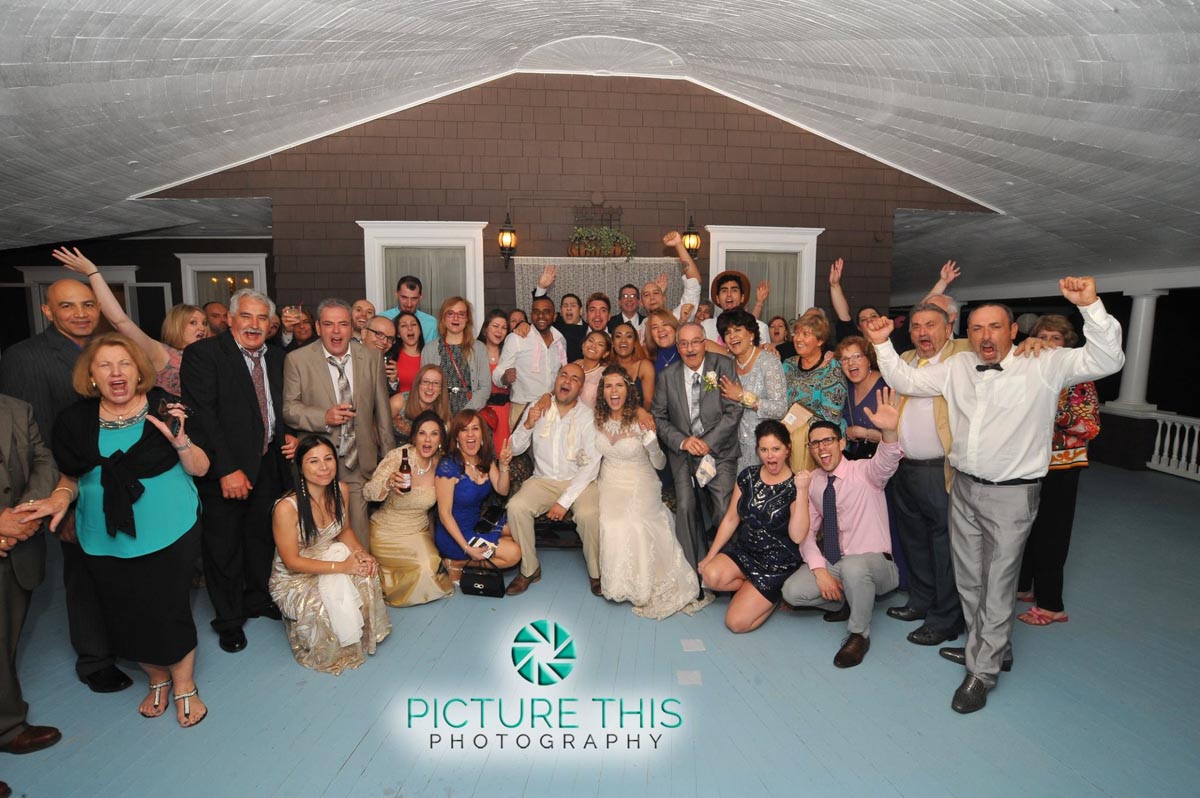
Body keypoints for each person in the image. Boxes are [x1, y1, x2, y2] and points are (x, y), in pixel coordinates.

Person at [867, 276, 1125, 714]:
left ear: (1013, 332)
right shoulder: (958, 367)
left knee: (999, 583)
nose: (986, 335)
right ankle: (989, 649)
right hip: (964, 487)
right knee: (969, 580)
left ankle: (981, 672)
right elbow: (904, 379)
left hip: (1013, 494)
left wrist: (1090, 306)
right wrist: (882, 344)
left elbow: (1107, 358)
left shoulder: (1045, 365)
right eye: (979, 328)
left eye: (995, 327)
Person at [23, 333, 211, 727]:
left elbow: (201, 468)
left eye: (124, 363)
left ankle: (184, 683)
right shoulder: (74, 421)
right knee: (125, 612)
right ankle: (156, 677)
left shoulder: (165, 406)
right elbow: (70, 477)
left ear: (138, 370)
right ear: (91, 376)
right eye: (105, 365)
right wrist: (60, 498)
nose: (116, 372)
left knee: (169, 608)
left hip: (169, 527)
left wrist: (179, 442)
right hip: (104, 531)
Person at [0, 277, 132, 693]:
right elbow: (29, 443)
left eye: (88, 304)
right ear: (47, 310)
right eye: (69, 306)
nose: (81, 313)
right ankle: (95, 660)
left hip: (120, 483)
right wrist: (63, 500)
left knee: (122, 569)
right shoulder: (26, 357)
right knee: (84, 577)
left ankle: (126, 643)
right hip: (70, 487)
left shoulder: (108, 349)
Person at [182, 288, 297, 654]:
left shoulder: (277, 358)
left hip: (267, 464)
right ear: (230, 319)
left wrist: (290, 438)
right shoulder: (204, 355)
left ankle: (257, 599)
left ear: (271, 324)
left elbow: (281, 409)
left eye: (262, 318)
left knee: (260, 539)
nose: (253, 324)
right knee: (223, 546)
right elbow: (203, 416)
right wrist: (226, 469)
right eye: (246, 316)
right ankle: (229, 619)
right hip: (226, 470)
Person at [781, 396, 904, 668]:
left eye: (827, 441)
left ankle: (859, 634)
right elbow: (807, 535)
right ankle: (843, 602)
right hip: (839, 564)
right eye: (815, 443)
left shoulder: (866, 472)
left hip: (876, 565)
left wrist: (890, 432)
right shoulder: (814, 482)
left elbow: (887, 460)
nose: (821, 448)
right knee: (792, 591)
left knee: (854, 566)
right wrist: (820, 570)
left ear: (841, 443)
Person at [883, 301, 970, 647]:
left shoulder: (962, 356)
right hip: (905, 467)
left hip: (940, 470)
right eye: (916, 325)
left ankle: (946, 619)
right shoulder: (904, 361)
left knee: (944, 547)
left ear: (948, 328)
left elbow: (1007, 346)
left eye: (930, 325)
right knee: (915, 541)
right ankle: (920, 601)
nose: (922, 332)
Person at [594, 366, 710, 619]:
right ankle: (619, 585)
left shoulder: (642, 420)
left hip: (641, 480)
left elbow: (659, 464)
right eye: (608, 386)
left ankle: (645, 584)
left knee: (635, 522)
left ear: (628, 390)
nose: (614, 391)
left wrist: (652, 445)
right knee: (608, 522)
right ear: (602, 392)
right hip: (609, 482)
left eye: (619, 385)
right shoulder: (597, 419)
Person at [269, 435, 391, 675]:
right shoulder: (286, 507)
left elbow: (344, 530)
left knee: (367, 573)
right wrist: (343, 567)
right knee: (321, 606)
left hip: (331, 556)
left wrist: (360, 553)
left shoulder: (341, 490)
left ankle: (363, 635)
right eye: (313, 461)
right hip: (295, 576)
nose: (323, 467)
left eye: (328, 459)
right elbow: (292, 562)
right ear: (300, 467)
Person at [283, 298, 394, 549]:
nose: (336, 331)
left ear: (351, 326)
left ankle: (361, 586)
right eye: (329, 324)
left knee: (358, 538)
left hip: (358, 463)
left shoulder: (372, 358)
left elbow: (383, 415)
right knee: (318, 538)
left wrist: (388, 463)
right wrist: (324, 417)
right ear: (318, 326)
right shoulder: (297, 360)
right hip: (316, 464)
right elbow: (289, 410)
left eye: (343, 324)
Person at [1016, 314, 1102, 627]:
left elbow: (1091, 428)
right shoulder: (1029, 372)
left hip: (1062, 467)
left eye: (1056, 338)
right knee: (1026, 528)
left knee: (1052, 535)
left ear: (1066, 344)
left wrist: (1055, 409)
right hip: (1029, 462)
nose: (1049, 344)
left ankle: (1051, 605)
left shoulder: (1078, 379)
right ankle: (1023, 586)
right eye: (1044, 337)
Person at [698, 420, 809, 633]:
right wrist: (711, 555)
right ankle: (750, 588)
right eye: (764, 449)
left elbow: (797, 536)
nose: (770, 456)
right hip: (746, 553)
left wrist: (802, 491)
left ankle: (773, 596)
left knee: (736, 623)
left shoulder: (796, 486)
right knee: (710, 575)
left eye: (776, 449)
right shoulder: (748, 476)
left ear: (787, 449)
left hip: (775, 564)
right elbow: (731, 518)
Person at [52, 247, 207, 396]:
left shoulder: (211, 355)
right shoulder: (162, 354)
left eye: (204, 323)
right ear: (177, 327)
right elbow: (120, 321)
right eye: (193, 322)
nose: (202, 327)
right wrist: (92, 273)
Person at [651, 322, 744, 570]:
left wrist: (707, 443)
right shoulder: (667, 376)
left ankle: (726, 566)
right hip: (683, 452)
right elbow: (658, 417)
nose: (690, 349)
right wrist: (683, 441)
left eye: (695, 342)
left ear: (704, 343)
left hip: (719, 451)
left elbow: (734, 410)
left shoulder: (723, 366)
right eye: (684, 343)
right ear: (678, 347)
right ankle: (691, 570)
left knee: (724, 507)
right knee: (685, 507)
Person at [505, 363, 602, 596]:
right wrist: (528, 423)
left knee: (588, 514)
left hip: (579, 481)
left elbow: (590, 465)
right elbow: (515, 449)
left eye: (575, 379)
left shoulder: (589, 417)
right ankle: (530, 569)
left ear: (580, 388)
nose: (567, 381)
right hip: (543, 480)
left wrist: (564, 502)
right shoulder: (537, 407)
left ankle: (597, 573)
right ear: (556, 380)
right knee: (516, 507)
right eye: (563, 375)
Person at [0, 395, 62, 757]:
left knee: (4, 642)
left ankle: (7, 726)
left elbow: (43, 461)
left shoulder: (17, 409)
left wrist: (22, 516)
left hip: (17, 547)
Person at [363, 411, 453, 606]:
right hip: (386, 532)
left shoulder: (442, 463)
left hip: (417, 531)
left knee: (428, 566)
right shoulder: (398, 457)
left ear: (440, 440)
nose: (428, 439)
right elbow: (367, 492)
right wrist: (387, 483)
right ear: (414, 437)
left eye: (434, 434)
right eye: (422, 433)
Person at [433, 410, 518, 582]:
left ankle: (464, 561)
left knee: (517, 532)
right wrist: (467, 548)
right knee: (514, 554)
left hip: (476, 525)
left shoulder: (483, 460)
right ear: (457, 436)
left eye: (475, 429)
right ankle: (459, 563)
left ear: (482, 434)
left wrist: (503, 465)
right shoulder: (449, 466)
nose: (470, 434)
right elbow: (444, 514)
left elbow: (502, 490)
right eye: (464, 430)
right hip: (455, 535)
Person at [718, 309, 787, 473]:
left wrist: (742, 396)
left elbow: (780, 408)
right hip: (732, 450)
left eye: (737, 330)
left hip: (763, 450)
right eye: (727, 333)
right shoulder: (727, 365)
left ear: (751, 334)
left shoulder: (768, 362)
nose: (732, 336)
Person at [782, 312, 848, 471]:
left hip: (819, 442)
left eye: (805, 334)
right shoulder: (788, 364)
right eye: (796, 333)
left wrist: (797, 422)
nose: (798, 339)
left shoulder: (832, 369)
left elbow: (831, 416)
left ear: (820, 341)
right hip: (785, 435)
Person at [493, 295, 567, 428]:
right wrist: (505, 378)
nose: (541, 316)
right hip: (523, 408)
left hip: (553, 408)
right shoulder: (517, 338)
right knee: (520, 449)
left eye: (546, 312)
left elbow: (562, 373)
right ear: (531, 315)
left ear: (554, 316)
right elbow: (498, 373)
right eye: (536, 312)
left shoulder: (560, 340)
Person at [421, 296, 490, 416]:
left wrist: (465, 414)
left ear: (467, 318)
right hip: (439, 414)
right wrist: (441, 415)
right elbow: (425, 387)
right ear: (443, 318)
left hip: (470, 414)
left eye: (461, 314)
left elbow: (484, 388)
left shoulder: (479, 349)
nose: (456, 318)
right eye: (450, 313)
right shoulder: (429, 350)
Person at [838, 337, 889, 460]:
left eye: (857, 356)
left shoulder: (886, 386)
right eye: (845, 359)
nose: (851, 363)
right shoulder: (844, 386)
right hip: (851, 461)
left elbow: (899, 438)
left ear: (869, 359)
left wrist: (865, 433)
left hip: (881, 462)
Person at [478, 309, 513, 454]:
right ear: (486, 328)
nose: (499, 331)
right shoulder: (475, 352)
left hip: (505, 413)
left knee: (503, 455)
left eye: (504, 328)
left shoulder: (510, 354)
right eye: (495, 326)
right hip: (482, 411)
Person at [701, 270, 769, 343]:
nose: (729, 294)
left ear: (742, 297)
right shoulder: (706, 326)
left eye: (734, 290)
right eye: (724, 291)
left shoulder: (761, 328)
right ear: (717, 299)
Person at [391, 364, 450, 444]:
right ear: (417, 385)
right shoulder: (398, 402)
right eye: (425, 382)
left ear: (441, 390)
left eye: (436, 383)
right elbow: (377, 430)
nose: (430, 387)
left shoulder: (443, 416)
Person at [380, 274, 439, 343]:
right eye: (404, 298)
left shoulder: (431, 323)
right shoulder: (382, 319)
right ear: (396, 294)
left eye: (414, 299)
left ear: (420, 297)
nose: (409, 304)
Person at [611, 321, 656, 409]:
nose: (623, 340)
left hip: (640, 419)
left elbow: (649, 402)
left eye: (629, 336)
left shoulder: (644, 366)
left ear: (635, 343)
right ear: (612, 343)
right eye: (618, 336)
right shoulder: (607, 367)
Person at [390, 311, 426, 396]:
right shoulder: (392, 357)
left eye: (413, 324)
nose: (410, 328)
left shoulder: (429, 354)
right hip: (399, 406)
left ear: (420, 330)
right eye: (404, 325)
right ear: (398, 334)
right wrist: (392, 381)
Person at [360, 315, 398, 393]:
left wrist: (392, 381)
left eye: (390, 338)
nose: (384, 342)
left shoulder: (387, 360)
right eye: (379, 334)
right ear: (364, 333)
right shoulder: (348, 354)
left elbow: (383, 399)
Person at [575, 330, 612, 408]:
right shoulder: (572, 368)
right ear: (583, 345)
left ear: (605, 354)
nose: (593, 346)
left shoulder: (606, 374)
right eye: (591, 341)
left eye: (600, 344)